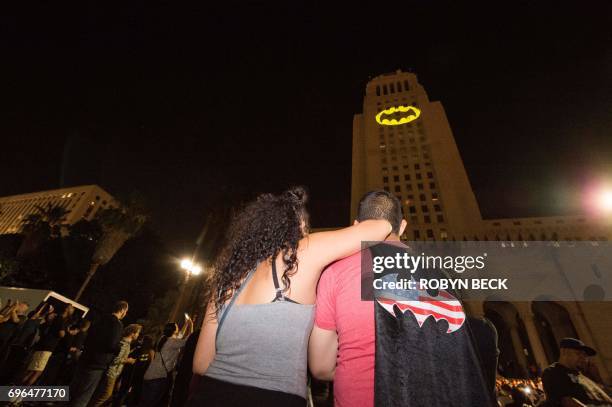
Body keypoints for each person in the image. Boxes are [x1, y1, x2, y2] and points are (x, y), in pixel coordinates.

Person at [187, 187, 392, 406]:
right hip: (274, 398)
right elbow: (380, 227)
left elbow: (200, 363)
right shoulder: (298, 255)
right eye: (306, 226)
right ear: (300, 226)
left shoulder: (228, 277)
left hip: (209, 394)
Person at [309, 190, 498, 406]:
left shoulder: (334, 272)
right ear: (403, 226)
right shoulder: (438, 275)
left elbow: (321, 367)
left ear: (356, 226)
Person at [69, 300, 129, 407]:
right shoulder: (117, 324)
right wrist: (118, 349)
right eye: (126, 311)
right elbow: (111, 345)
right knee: (83, 395)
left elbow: (88, 337)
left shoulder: (100, 319)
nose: (126, 314)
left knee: (73, 391)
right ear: (122, 310)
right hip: (97, 363)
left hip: (85, 358)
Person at [541, 338, 612, 406]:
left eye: (585, 355)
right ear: (564, 352)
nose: (583, 358)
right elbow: (567, 401)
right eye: (578, 353)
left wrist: (597, 378)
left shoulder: (581, 374)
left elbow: (602, 395)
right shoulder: (553, 372)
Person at [139, 319, 193, 406]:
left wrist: (186, 324)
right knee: (151, 403)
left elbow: (179, 336)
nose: (178, 328)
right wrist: (191, 326)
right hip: (159, 377)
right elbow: (188, 341)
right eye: (177, 327)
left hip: (149, 375)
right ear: (174, 330)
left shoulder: (163, 338)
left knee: (144, 403)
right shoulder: (172, 342)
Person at [89, 324, 142, 407]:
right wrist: (129, 360)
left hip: (112, 372)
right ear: (132, 333)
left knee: (100, 394)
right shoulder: (124, 343)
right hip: (111, 373)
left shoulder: (123, 342)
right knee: (106, 396)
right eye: (137, 333)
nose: (138, 335)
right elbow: (116, 359)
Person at [22, 303, 74, 385]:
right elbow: (61, 334)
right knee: (36, 372)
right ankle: (19, 392)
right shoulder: (61, 319)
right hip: (47, 347)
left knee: (33, 370)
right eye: (72, 308)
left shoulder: (57, 318)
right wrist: (66, 333)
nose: (73, 310)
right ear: (67, 309)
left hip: (43, 345)